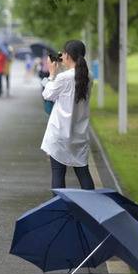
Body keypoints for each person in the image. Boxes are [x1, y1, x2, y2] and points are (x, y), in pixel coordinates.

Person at [41, 40, 95, 190]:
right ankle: (92, 208)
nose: (61, 56)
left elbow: (47, 94)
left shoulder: (63, 78)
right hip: (79, 134)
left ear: (68, 56)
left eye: (63, 53)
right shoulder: (89, 76)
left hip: (59, 133)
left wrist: (51, 73)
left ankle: (61, 209)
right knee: (83, 173)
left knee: (58, 174)